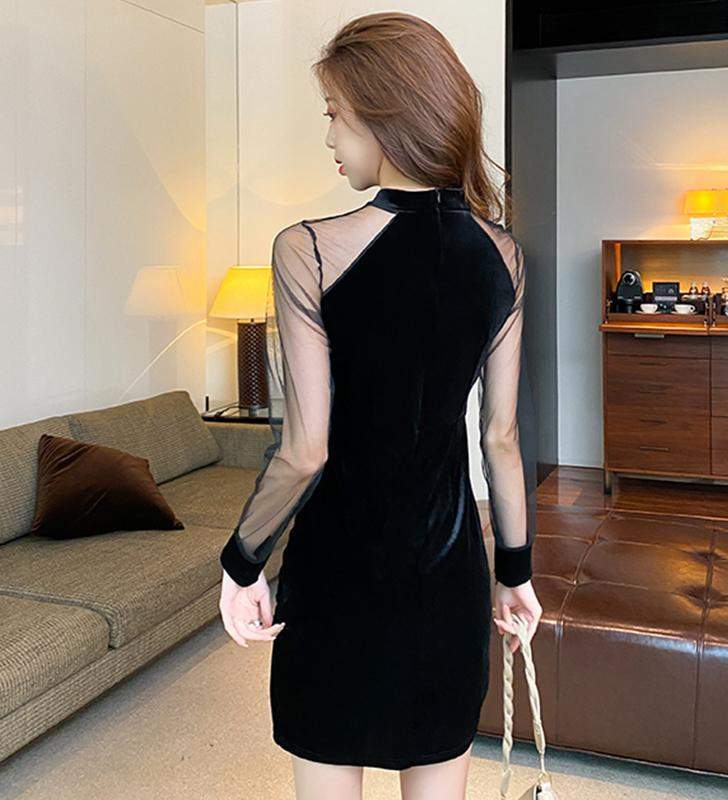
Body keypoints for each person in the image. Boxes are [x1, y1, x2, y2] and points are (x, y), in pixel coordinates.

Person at [217, 11, 542, 800]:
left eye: (335, 114)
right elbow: (500, 438)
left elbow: (306, 449)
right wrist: (516, 574)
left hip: (338, 579)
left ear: (383, 115)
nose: (329, 136)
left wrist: (241, 564)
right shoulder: (503, 255)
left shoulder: (308, 249)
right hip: (447, 580)